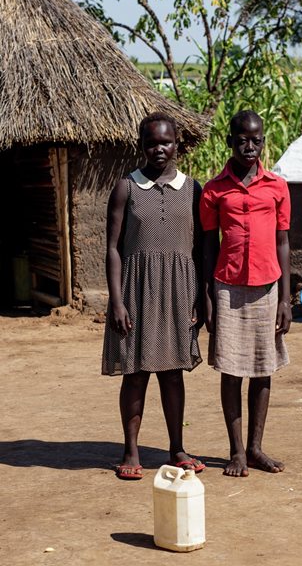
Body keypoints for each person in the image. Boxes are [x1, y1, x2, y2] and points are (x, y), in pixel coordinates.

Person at [102, 112, 204, 480]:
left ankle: (177, 448)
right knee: (136, 373)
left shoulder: (193, 189)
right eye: (151, 142)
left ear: (178, 143)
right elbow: (113, 248)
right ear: (141, 144)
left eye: (166, 142)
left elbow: (202, 249)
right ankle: (131, 450)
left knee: (173, 374)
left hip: (179, 291)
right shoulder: (126, 188)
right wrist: (116, 300)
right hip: (135, 292)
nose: (159, 149)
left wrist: (201, 297)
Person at [200, 109, 291, 477]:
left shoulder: (277, 187)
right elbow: (207, 246)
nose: (249, 146)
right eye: (242, 140)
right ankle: (236, 451)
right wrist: (206, 294)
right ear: (229, 141)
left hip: (268, 288)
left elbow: (283, 241)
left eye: (256, 140)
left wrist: (286, 298)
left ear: (263, 141)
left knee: (263, 369)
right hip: (227, 287)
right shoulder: (213, 189)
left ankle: (256, 447)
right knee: (231, 370)